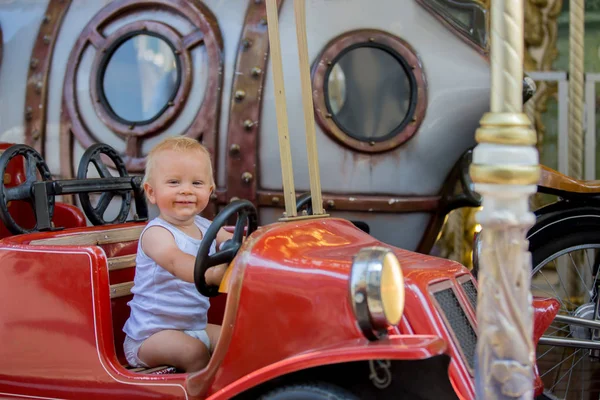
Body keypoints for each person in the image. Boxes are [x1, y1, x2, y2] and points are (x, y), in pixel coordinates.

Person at [123, 136, 232, 372]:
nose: (186, 190)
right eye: (174, 182)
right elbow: (175, 261)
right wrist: (213, 274)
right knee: (193, 352)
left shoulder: (206, 226)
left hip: (193, 327)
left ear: (210, 191)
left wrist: (249, 248)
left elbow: (235, 243)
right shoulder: (157, 234)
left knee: (236, 338)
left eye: (197, 183)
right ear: (151, 192)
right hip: (150, 335)